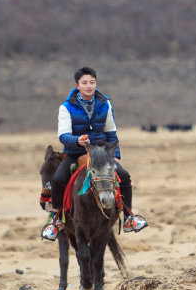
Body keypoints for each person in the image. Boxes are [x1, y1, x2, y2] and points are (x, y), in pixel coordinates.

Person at [42, 66, 148, 240]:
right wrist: (77, 141)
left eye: (92, 82)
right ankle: (55, 220)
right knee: (58, 179)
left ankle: (129, 216)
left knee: (124, 176)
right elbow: (63, 135)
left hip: (102, 153)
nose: (89, 86)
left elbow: (111, 133)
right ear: (77, 85)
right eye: (84, 83)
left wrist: (115, 156)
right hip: (76, 152)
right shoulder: (66, 107)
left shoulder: (105, 104)